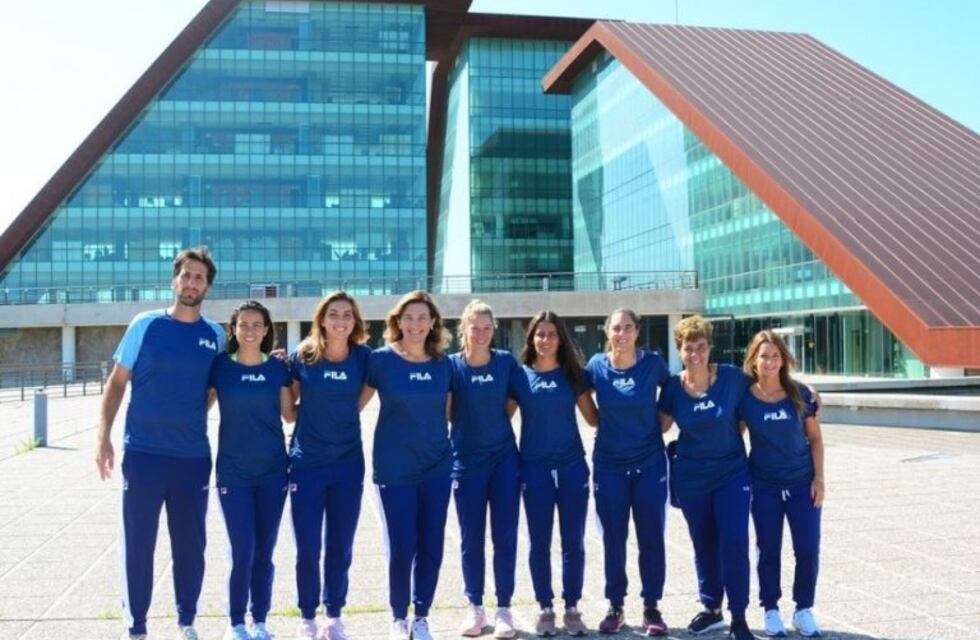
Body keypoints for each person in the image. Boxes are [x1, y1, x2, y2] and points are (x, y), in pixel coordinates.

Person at [95, 247, 225, 640]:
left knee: (190, 546)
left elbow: (213, 390)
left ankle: (187, 620)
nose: (191, 282)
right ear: (174, 280)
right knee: (139, 544)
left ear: (207, 286)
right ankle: (136, 626)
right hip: (144, 455)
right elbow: (117, 382)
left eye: (199, 277)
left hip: (191, 458)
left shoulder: (215, 336)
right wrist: (103, 437)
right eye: (186, 275)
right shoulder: (144, 325)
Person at [361, 290, 454, 640]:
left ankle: (422, 616)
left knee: (431, 545)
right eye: (409, 318)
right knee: (402, 546)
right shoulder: (381, 361)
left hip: (437, 468)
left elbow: (451, 412)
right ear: (397, 322)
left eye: (422, 318)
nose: (415, 324)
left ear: (433, 324)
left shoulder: (444, 364)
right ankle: (398, 617)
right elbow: (351, 403)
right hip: (394, 469)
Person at [658, 315, 754, 640]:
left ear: (710, 347)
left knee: (734, 541)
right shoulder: (673, 387)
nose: (695, 354)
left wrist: (806, 391)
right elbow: (660, 425)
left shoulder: (731, 378)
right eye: (688, 348)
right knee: (704, 544)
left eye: (701, 347)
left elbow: (772, 380)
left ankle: (739, 615)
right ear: (679, 350)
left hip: (731, 473)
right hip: (692, 478)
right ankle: (712, 609)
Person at [209, 301, 295, 640]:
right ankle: (236, 623)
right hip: (233, 474)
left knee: (264, 551)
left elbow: (290, 415)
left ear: (265, 329)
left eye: (256, 324)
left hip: (273, 472)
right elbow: (198, 404)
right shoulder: (220, 367)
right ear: (233, 330)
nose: (249, 330)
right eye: (243, 324)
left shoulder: (277, 370)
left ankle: (260, 620)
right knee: (242, 550)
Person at [288, 292, 372, 640]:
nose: (340, 320)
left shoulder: (365, 358)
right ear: (321, 318)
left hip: (348, 466)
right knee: (307, 547)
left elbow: (360, 401)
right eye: (333, 313)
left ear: (355, 322)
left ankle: (334, 615)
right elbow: (289, 408)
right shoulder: (303, 357)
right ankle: (308, 616)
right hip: (307, 465)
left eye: (347, 315)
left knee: (340, 544)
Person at [510, 311, 597, 638]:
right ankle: (545, 607)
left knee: (573, 541)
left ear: (561, 339)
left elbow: (593, 419)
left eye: (552, 334)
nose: (545, 340)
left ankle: (572, 606)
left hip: (572, 468)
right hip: (534, 470)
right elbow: (500, 418)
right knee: (539, 542)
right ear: (531, 339)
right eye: (540, 334)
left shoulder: (573, 376)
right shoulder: (519, 377)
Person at [585, 309, 671, 636]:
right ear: (608, 331)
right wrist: (594, 420)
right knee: (614, 538)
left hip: (649, 464)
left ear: (637, 332)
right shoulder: (596, 366)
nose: (622, 333)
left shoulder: (653, 364)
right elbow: (577, 390)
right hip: (609, 466)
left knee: (651, 536)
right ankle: (615, 605)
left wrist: (662, 425)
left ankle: (651, 606)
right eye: (616, 328)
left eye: (628, 328)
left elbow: (677, 388)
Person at [738, 331, 825, 638]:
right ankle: (770, 610)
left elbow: (814, 438)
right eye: (764, 356)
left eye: (775, 356)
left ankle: (803, 609)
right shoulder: (745, 399)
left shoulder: (800, 394)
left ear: (784, 359)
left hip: (802, 484)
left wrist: (819, 479)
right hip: (764, 487)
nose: (770, 361)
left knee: (807, 549)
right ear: (753, 361)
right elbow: (734, 437)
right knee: (768, 549)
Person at [449, 300, 520, 639]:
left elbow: (512, 402)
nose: (480, 333)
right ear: (463, 329)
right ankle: (475, 607)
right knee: (470, 539)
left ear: (494, 330)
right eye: (474, 327)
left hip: (504, 462)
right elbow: (448, 412)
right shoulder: (451, 367)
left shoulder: (505, 362)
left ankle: (504, 608)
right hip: (466, 463)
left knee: (505, 536)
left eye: (486, 328)